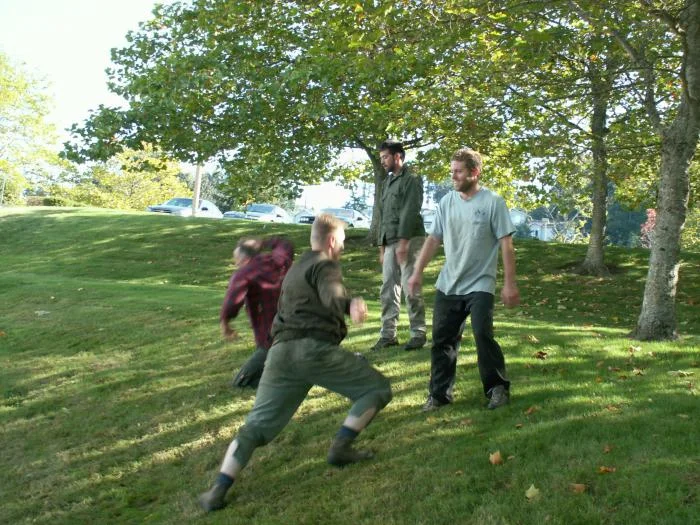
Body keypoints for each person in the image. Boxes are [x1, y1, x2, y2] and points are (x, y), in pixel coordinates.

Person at [199, 214, 393, 512]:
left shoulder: (295, 268)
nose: (342, 247)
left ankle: (218, 489)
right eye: (342, 241)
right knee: (377, 389)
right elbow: (332, 294)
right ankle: (340, 448)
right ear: (330, 241)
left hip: (279, 355)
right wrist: (350, 303)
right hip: (312, 351)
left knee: (256, 427)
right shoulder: (325, 264)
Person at [407, 147, 520, 411]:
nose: (453, 177)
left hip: (481, 283)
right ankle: (439, 395)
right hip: (449, 284)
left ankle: (497, 388)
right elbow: (434, 239)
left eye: (458, 172)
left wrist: (510, 283)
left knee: (482, 334)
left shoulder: (493, 202)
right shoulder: (447, 202)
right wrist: (416, 272)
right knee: (442, 341)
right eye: (452, 172)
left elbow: (506, 244)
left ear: (474, 172)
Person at [372, 139, 427, 352]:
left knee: (411, 287)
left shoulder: (411, 179)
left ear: (398, 156)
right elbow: (382, 215)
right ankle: (388, 335)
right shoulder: (386, 182)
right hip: (390, 241)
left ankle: (418, 333)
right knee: (388, 289)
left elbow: (410, 211)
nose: (383, 161)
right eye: (381, 158)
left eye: (385, 157)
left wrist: (403, 242)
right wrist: (381, 247)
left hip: (410, 240)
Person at [220, 236, 294, 388]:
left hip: (271, 334)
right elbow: (284, 243)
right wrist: (264, 242)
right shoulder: (278, 259)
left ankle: (288, 379)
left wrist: (225, 323)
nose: (236, 263)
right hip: (296, 324)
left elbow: (232, 302)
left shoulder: (245, 274)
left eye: (237, 259)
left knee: (241, 382)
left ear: (244, 257)